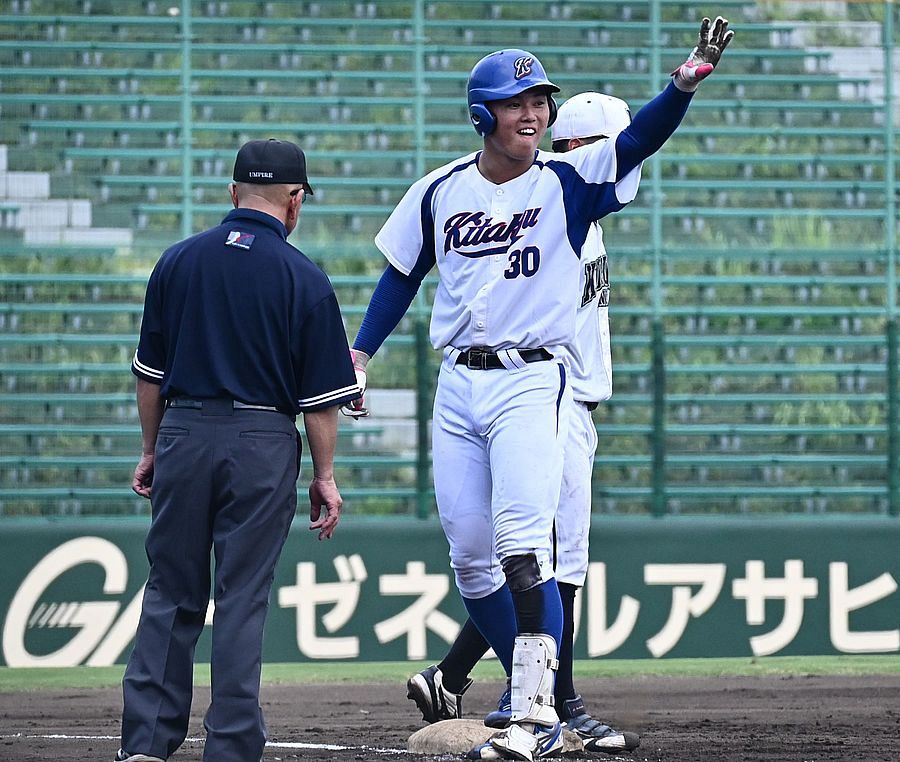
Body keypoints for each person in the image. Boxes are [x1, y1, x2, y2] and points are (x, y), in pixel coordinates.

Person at [343, 17, 733, 761]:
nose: (533, 114)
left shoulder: (568, 182)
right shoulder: (439, 190)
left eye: (540, 101)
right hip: (457, 384)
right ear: (481, 114)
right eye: (517, 101)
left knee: (525, 550)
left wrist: (681, 86)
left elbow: (637, 140)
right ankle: (534, 698)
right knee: (470, 559)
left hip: (533, 380)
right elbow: (400, 275)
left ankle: (536, 714)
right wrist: (360, 354)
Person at [404, 91, 641, 756]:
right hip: (544, 395)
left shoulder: (576, 212)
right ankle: (554, 703)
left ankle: (455, 676)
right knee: (544, 559)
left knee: (523, 554)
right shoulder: (557, 206)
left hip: (558, 396)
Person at [118, 138, 360, 762]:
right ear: (295, 199)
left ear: (233, 193)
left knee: (171, 592)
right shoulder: (304, 277)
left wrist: (151, 450)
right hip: (261, 441)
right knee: (241, 597)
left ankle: (145, 743)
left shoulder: (177, 262)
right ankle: (228, 748)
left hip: (184, 430)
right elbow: (321, 401)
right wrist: (325, 475)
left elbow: (149, 376)